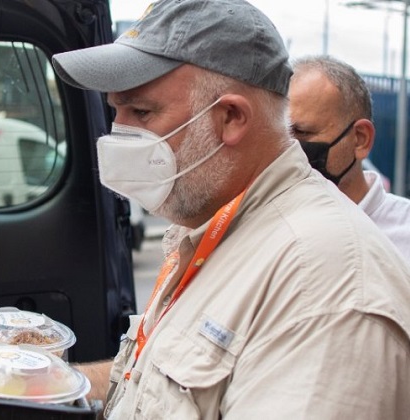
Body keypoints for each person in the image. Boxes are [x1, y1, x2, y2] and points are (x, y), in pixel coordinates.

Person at [51, 0, 410, 418]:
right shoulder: (213, 230)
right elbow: (142, 383)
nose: (119, 133)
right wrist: (26, 377)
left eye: (142, 112)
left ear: (231, 118)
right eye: (116, 112)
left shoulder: (325, 287)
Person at [289, 55, 410, 260]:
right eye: (280, 135)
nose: (288, 148)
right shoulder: (262, 222)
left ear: (360, 139)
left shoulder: (404, 236)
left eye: (302, 133)